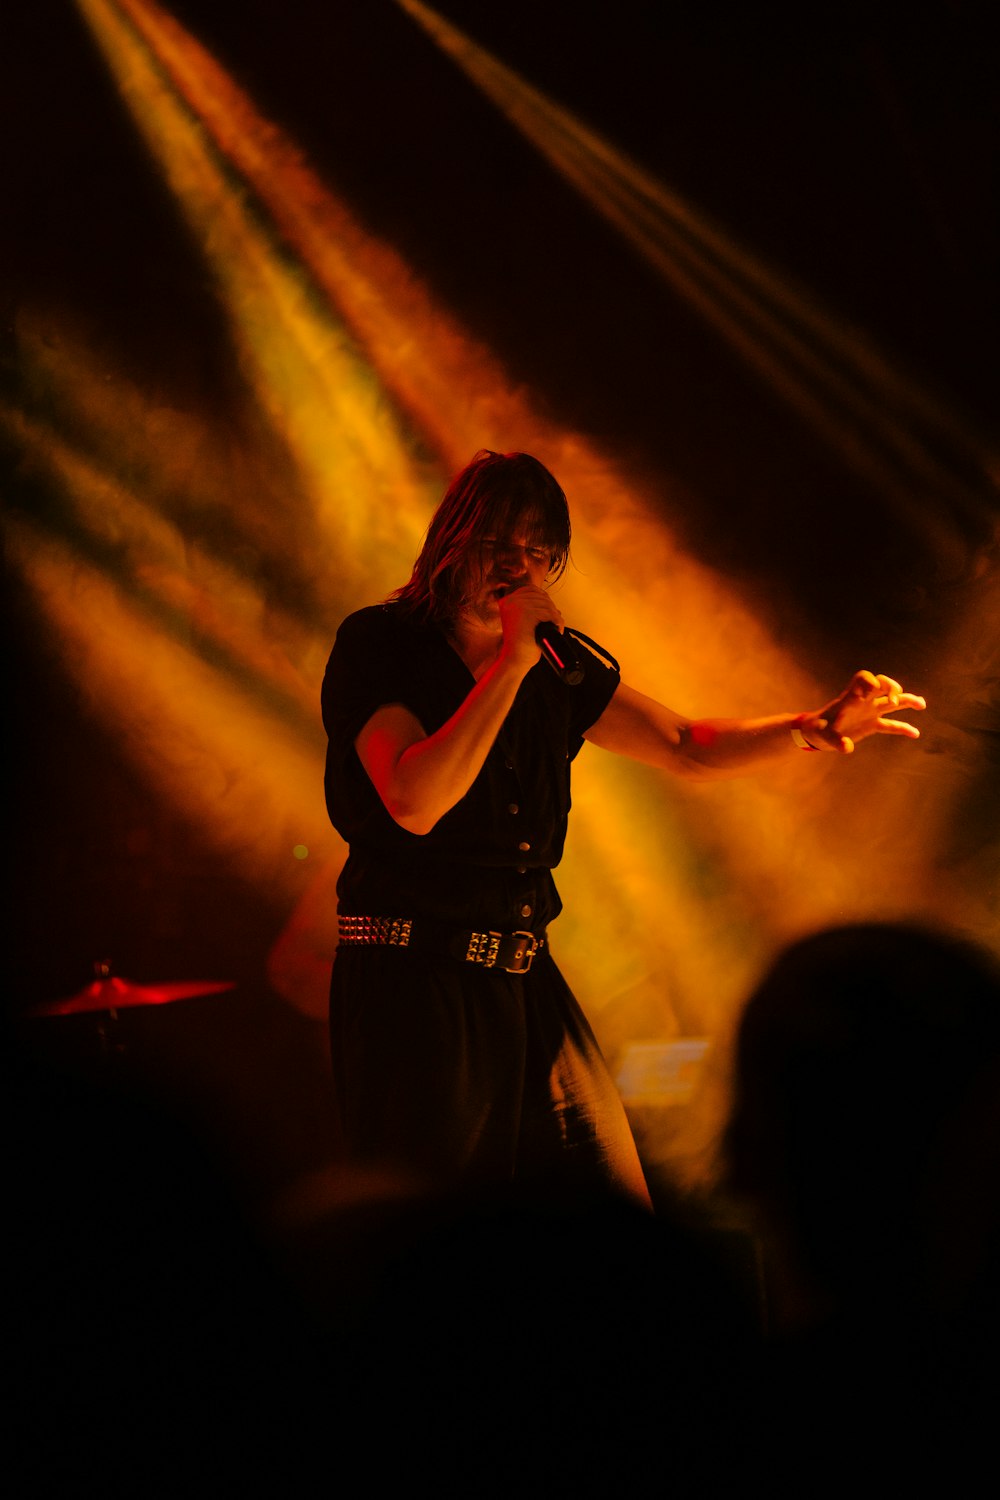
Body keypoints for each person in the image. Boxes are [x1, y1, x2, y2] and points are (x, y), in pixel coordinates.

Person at [321, 450, 925, 1204]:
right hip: (414, 981)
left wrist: (810, 726)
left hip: (523, 977)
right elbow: (413, 801)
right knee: (434, 1232)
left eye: (538, 548)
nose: (520, 565)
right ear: (452, 539)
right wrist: (507, 665)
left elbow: (684, 745)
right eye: (500, 543)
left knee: (613, 1209)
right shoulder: (384, 644)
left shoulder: (556, 666)